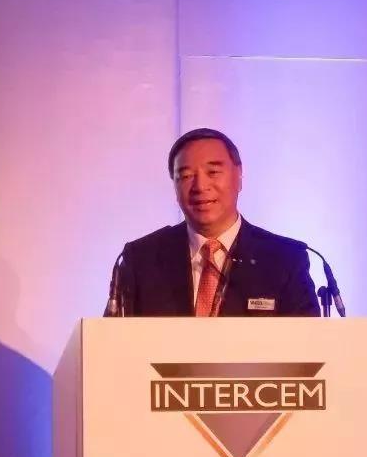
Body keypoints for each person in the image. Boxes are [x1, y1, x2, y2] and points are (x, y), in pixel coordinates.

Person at [107, 128, 320, 317]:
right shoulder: (141, 259)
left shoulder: (285, 259)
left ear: (239, 175)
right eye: (186, 176)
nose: (200, 186)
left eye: (213, 172)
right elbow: (111, 342)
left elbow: (307, 344)